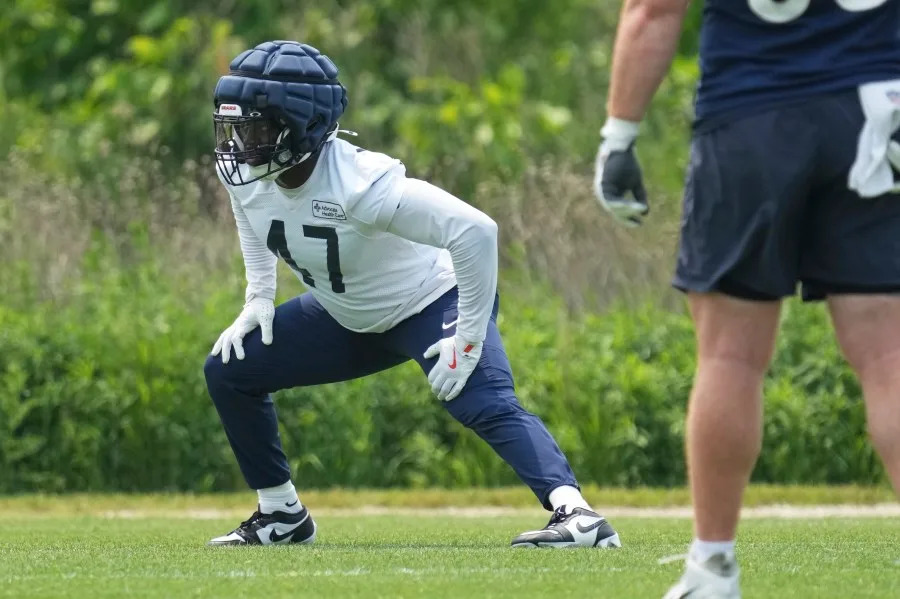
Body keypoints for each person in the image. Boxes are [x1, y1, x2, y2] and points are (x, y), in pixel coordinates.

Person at [203, 40, 621, 549]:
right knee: (230, 370)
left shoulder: (360, 183)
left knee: (478, 399)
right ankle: (282, 516)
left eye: (257, 127)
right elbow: (251, 215)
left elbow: (476, 232)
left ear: (300, 125)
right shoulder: (250, 174)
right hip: (345, 314)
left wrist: (468, 334)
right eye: (236, 127)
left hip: (430, 301)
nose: (241, 144)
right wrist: (259, 297)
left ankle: (578, 517)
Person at [595, 1, 900, 597]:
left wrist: (619, 135)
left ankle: (712, 569)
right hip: (876, 112)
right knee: (890, 357)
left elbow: (655, 9)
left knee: (729, 357)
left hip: (753, 111)